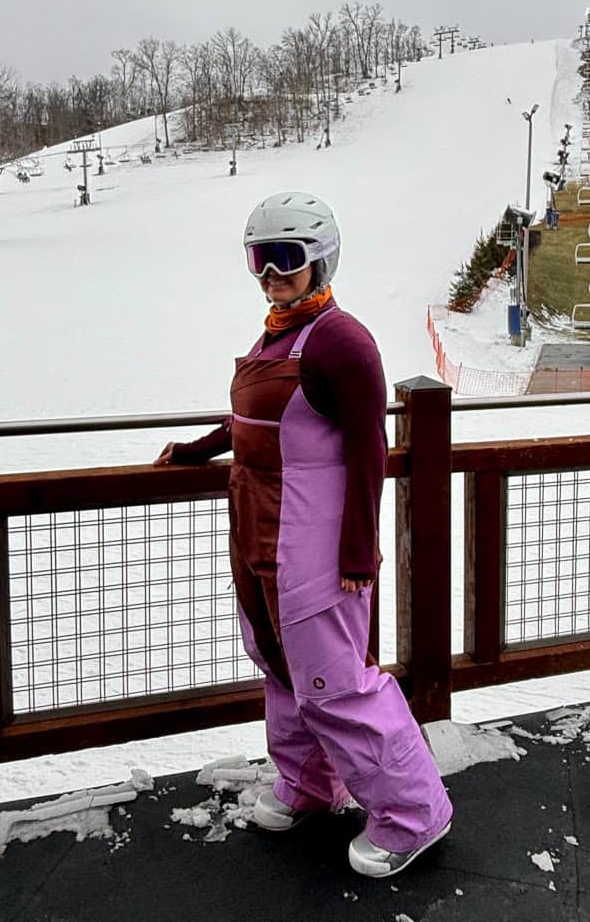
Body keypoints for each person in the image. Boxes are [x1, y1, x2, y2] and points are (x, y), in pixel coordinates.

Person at [155, 191, 452, 877]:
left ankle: (415, 812)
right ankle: (311, 784)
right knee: (283, 674)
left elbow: (369, 449)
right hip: (257, 538)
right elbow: (248, 423)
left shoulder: (341, 340)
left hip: (313, 548)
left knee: (336, 684)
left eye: (285, 258)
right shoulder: (276, 334)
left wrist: (358, 551)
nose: (269, 274)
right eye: (259, 259)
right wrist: (197, 450)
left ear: (321, 260)